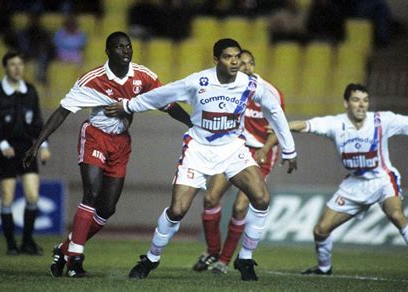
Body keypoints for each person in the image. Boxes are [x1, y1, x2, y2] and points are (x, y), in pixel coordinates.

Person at [105, 38, 298, 281]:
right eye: (228, 57)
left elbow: (275, 111)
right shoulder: (197, 82)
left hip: (232, 150)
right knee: (177, 210)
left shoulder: (249, 84)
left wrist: (289, 149)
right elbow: (160, 96)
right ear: (216, 60)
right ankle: (151, 259)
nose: (235, 61)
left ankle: (245, 258)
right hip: (197, 150)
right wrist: (128, 105)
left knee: (261, 199)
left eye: (237, 56)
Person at [22, 31, 192, 278]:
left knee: (107, 208)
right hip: (95, 136)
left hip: (121, 142)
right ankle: (75, 261)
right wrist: (38, 143)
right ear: (108, 51)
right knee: (91, 193)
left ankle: (65, 249)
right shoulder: (93, 79)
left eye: (129, 46)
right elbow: (62, 112)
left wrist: (192, 124)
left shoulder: (144, 77)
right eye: (120, 47)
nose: (126, 50)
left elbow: (168, 105)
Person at [289, 83, 408, 279]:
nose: (361, 105)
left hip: (382, 180)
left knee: (396, 215)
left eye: (365, 100)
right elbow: (305, 125)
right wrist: (283, 126)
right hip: (355, 184)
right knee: (321, 230)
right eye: (356, 100)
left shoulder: (382, 120)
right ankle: (324, 268)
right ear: (346, 103)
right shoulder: (335, 123)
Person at [191, 49, 286, 274]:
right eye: (242, 63)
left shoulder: (268, 91)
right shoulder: (228, 89)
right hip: (233, 149)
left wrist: (264, 148)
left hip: (261, 153)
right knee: (211, 197)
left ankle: (224, 261)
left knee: (241, 206)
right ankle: (213, 250)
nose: (246, 67)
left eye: (250, 63)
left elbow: (279, 128)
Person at [0, 51, 51, 256]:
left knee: (32, 195)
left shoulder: (30, 91)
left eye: (20, 64)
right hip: (5, 150)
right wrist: (3, 144)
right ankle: (11, 245)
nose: (17, 68)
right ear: (5, 67)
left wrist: (43, 145)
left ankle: (27, 242)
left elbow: (38, 122)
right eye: (13, 64)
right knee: (7, 197)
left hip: (26, 149)